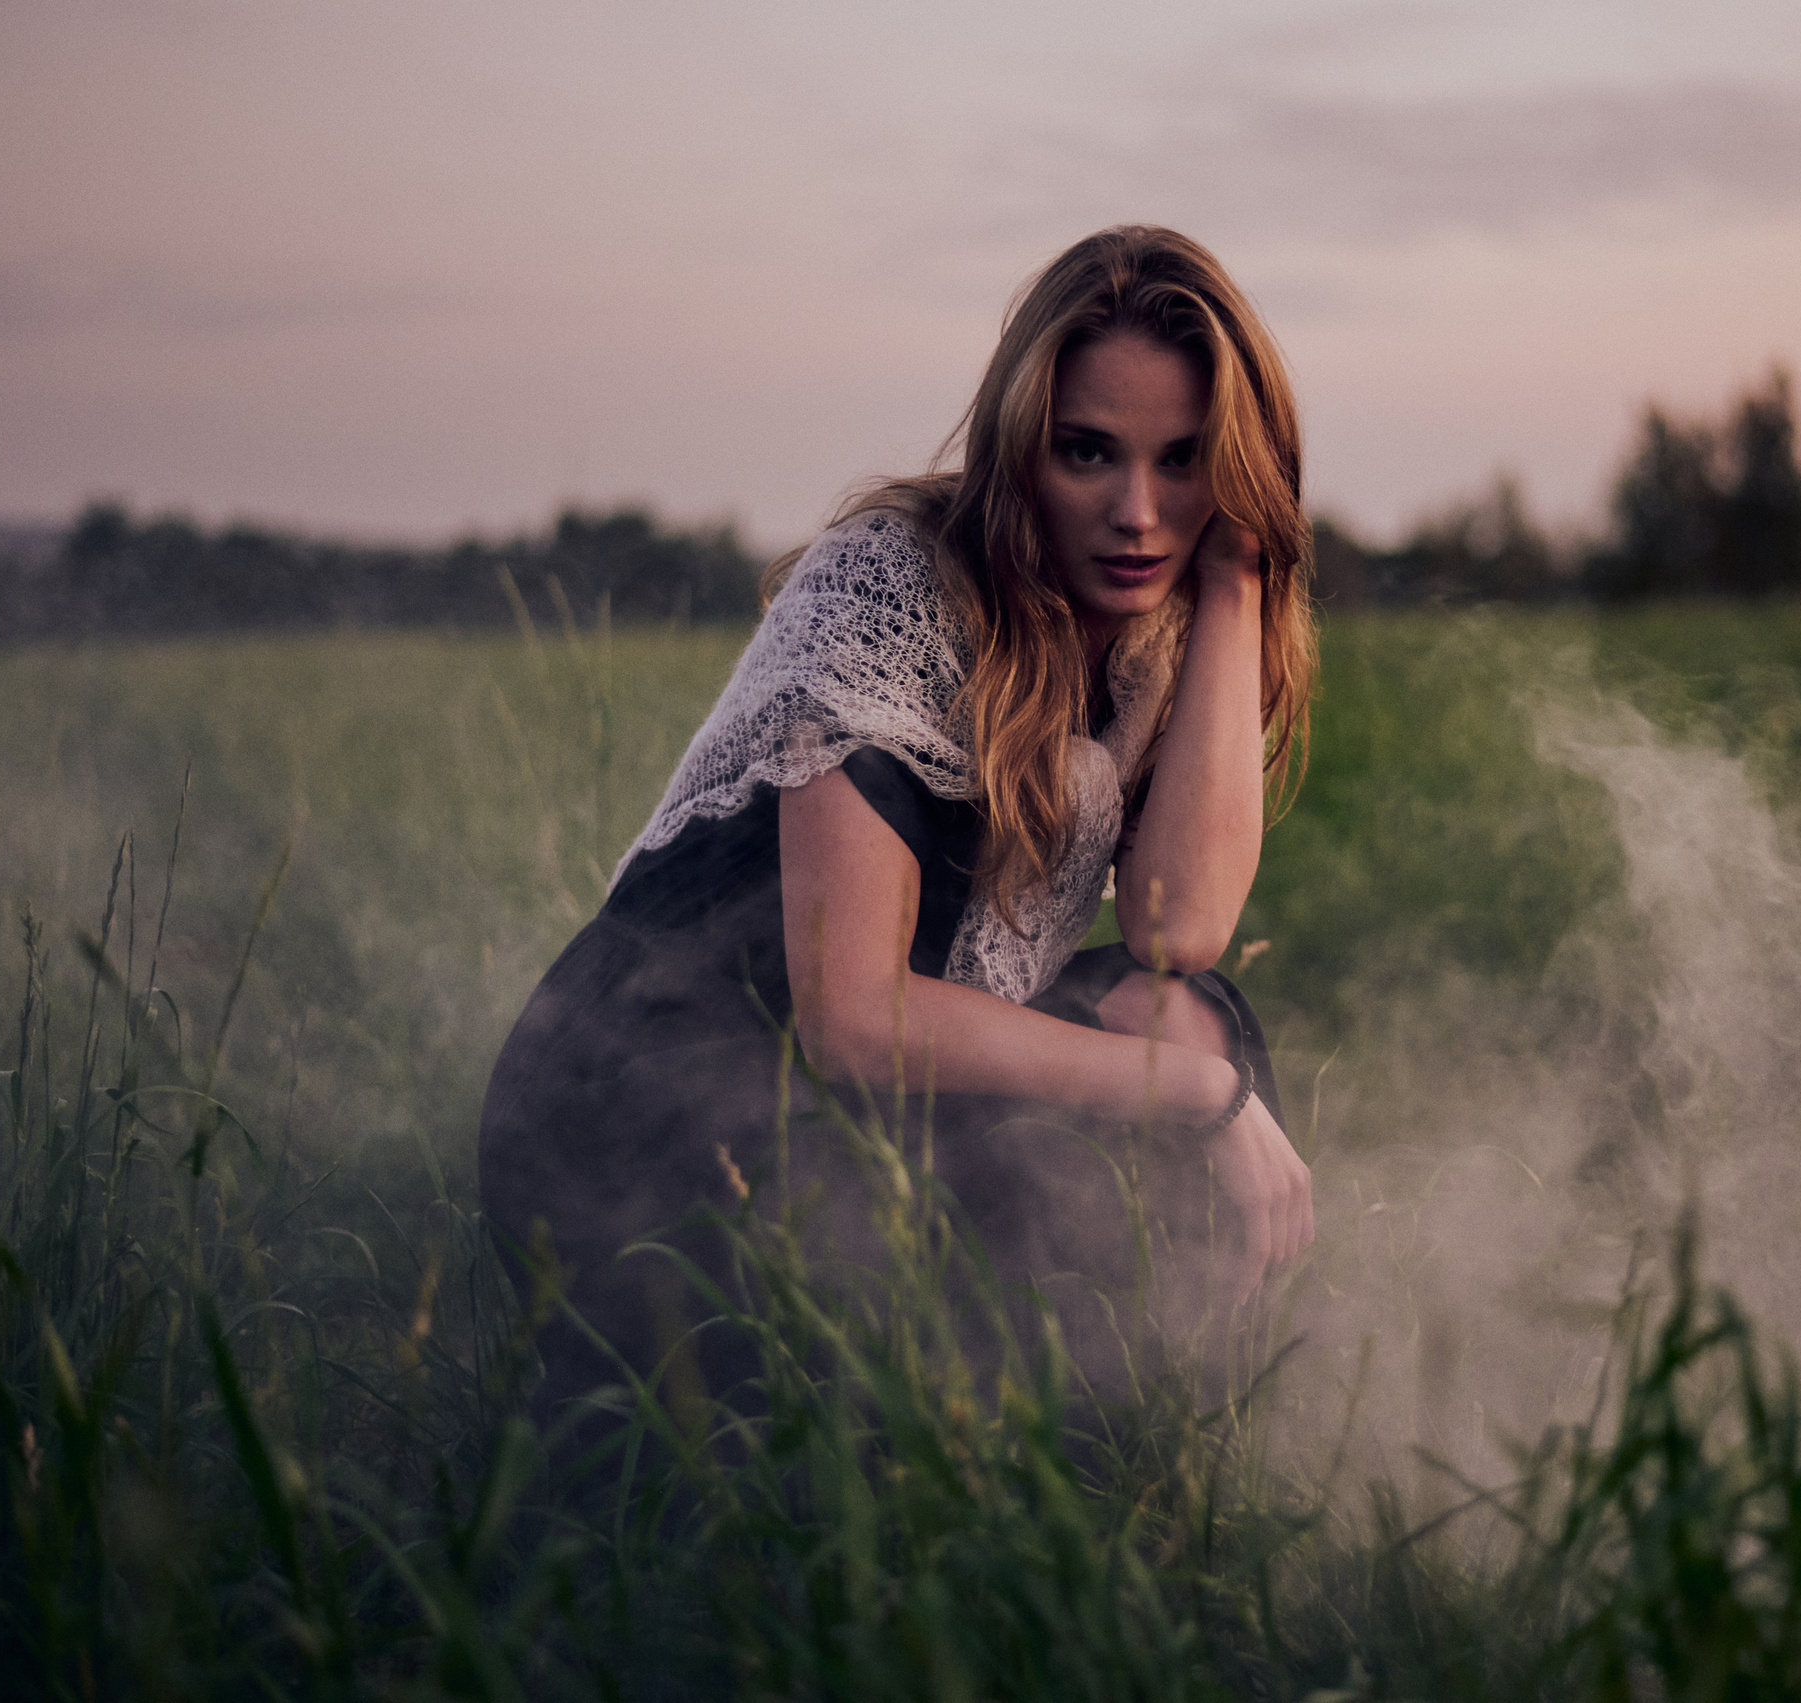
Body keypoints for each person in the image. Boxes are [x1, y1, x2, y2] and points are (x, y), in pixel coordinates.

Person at [478, 225, 1317, 1451]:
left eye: (1184, 460)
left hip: (860, 1107)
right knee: (1164, 1081)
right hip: (655, 1109)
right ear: (1022, 447)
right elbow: (858, 1019)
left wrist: (1238, 574)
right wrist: (1201, 1097)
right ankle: (1007, 1451)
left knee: (1181, 1010)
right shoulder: (889, 587)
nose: (1139, 514)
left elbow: (1176, 927)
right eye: (1088, 451)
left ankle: (1154, 1448)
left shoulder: (1155, 640)